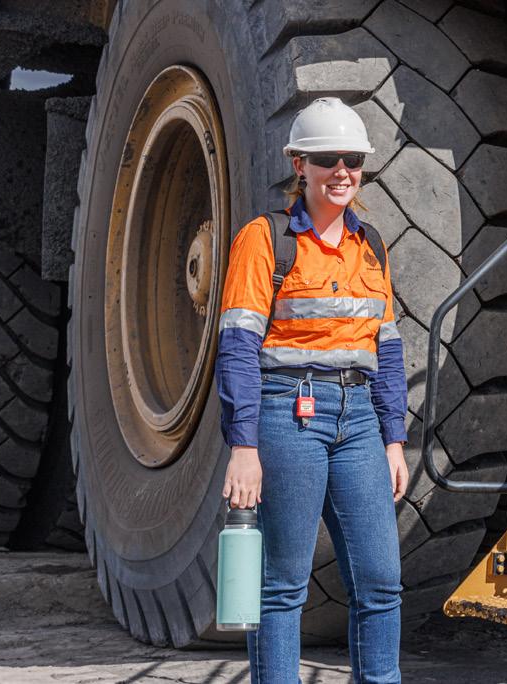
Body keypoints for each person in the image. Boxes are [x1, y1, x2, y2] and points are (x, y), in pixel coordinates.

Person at [215, 97, 408, 683]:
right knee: (282, 586)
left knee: (381, 584)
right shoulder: (264, 239)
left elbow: (387, 349)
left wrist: (394, 439)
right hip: (287, 414)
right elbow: (237, 347)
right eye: (327, 160)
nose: (341, 171)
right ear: (299, 164)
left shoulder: (371, 244)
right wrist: (243, 446)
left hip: (360, 421)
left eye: (353, 159)